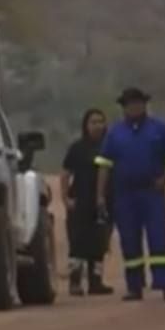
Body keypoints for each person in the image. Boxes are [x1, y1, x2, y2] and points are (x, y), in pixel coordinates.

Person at [94, 87, 165, 301]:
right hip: (124, 195)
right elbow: (104, 166)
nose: (135, 107)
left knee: (159, 238)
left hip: (151, 193)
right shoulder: (115, 133)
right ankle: (134, 287)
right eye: (130, 104)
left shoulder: (160, 129)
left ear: (145, 105)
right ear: (123, 108)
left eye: (138, 103)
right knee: (129, 240)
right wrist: (100, 196)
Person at [61, 108, 115, 296]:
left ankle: (96, 283)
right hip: (80, 201)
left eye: (101, 121)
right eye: (93, 122)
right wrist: (65, 197)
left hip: (104, 202)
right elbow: (66, 173)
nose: (98, 125)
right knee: (77, 244)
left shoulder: (110, 147)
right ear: (86, 125)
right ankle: (75, 283)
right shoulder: (77, 148)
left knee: (100, 243)